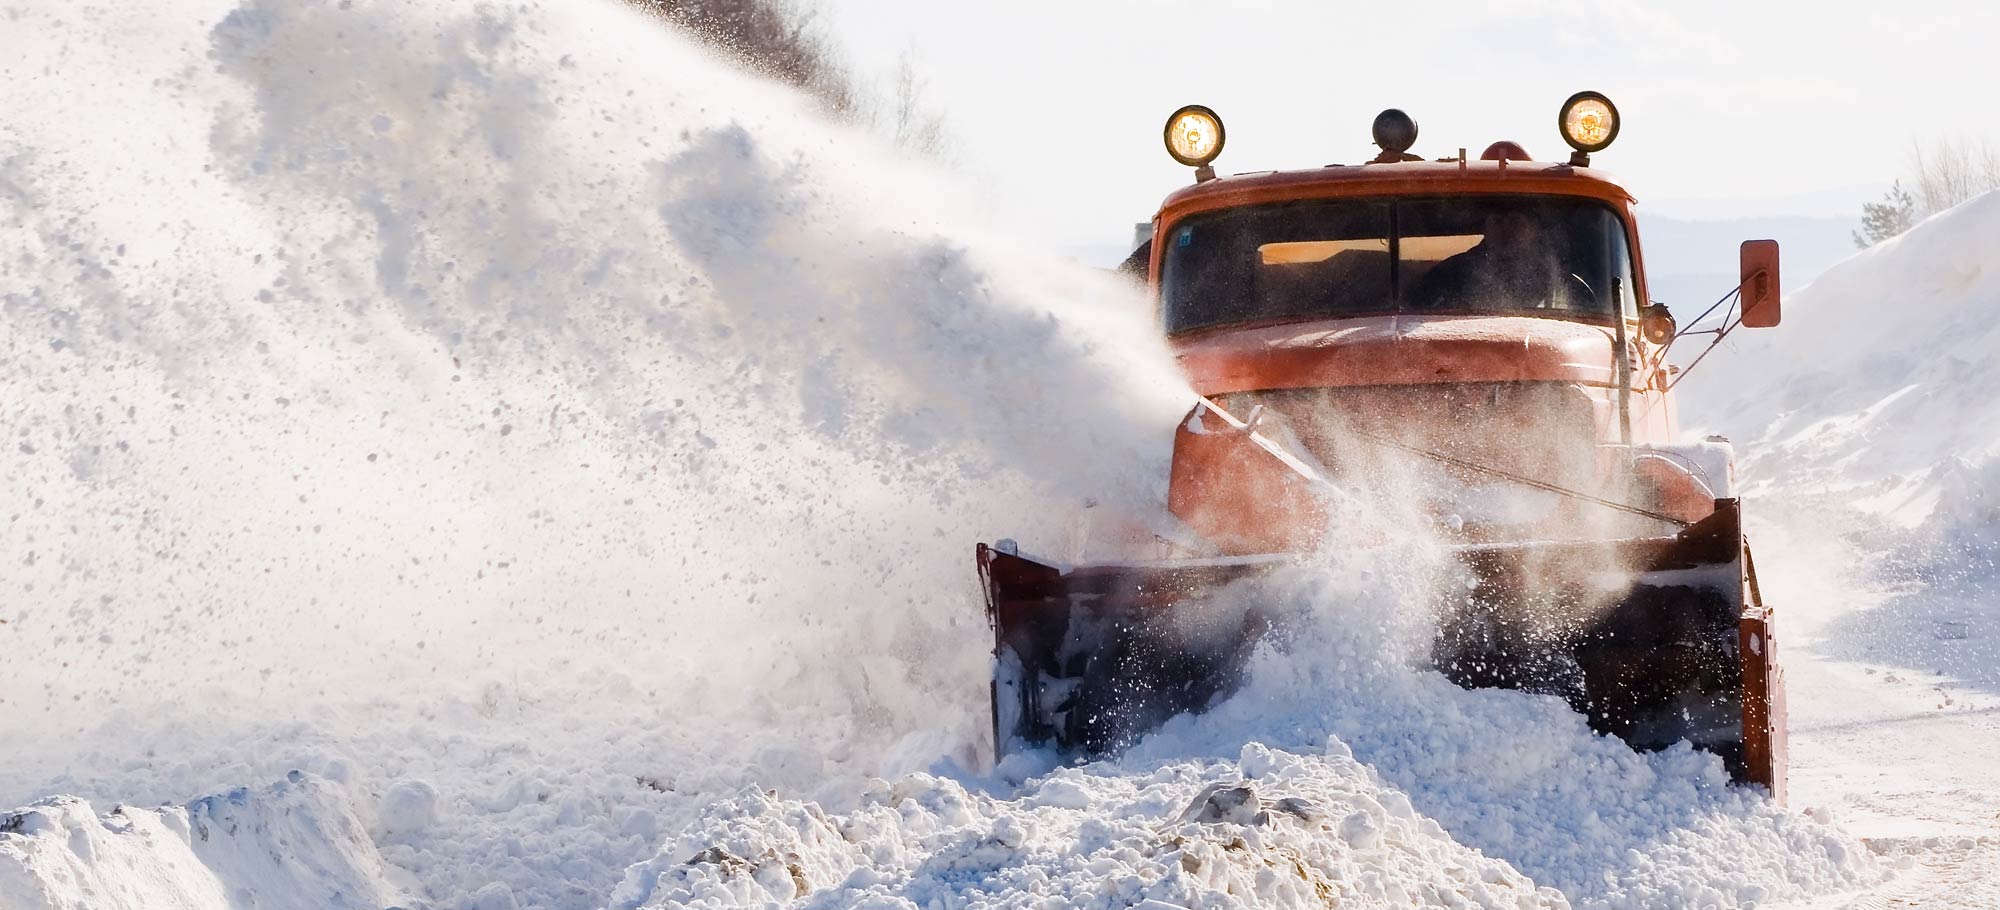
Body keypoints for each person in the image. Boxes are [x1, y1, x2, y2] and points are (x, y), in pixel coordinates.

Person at [1407, 208, 1582, 312]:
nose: (1506, 230)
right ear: (1485, 228)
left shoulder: (1559, 280)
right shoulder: (1450, 273)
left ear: (1535, 229)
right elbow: (1415, 317)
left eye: (1516, 222)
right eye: (1498, 221)